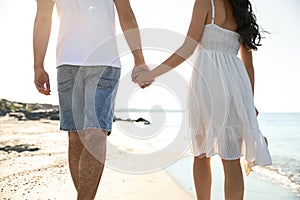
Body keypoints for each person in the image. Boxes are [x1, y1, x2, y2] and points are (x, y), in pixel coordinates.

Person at [134, 0, 272, 199]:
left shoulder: (206, 2)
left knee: (201, 154)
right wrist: (248, 102)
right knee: (231, 156)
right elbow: (248, 65)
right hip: (236, 86)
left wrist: (152, 74)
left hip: (207, 84)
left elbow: (187, 48)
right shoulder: (241, 11)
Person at [33, 0, 150, 199]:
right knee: (75, 137)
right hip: (68, 62)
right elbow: (43, 16)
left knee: (95, 133)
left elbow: (125, 13)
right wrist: (38, 65)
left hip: (103, 60)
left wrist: (139, 59)